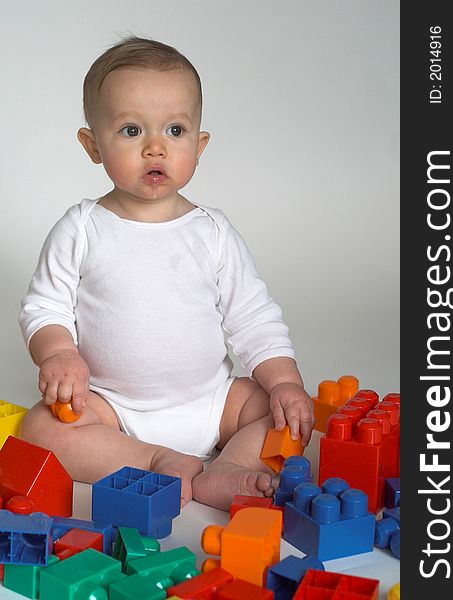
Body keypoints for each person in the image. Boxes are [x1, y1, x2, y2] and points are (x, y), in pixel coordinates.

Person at [18, 36, 314, 511]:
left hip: (214, 403)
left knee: (284, 415)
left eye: (175, 131)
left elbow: (253, 317)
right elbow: (45, 306)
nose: (155, 147)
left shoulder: (213, 232)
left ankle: (230, 468)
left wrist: (283, 382)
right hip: (111, 407)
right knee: (40, 430)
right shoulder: (82, 227)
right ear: (93, 145)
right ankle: (157, 459)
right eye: (132, 131)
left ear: (200, 144)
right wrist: (58, 353)